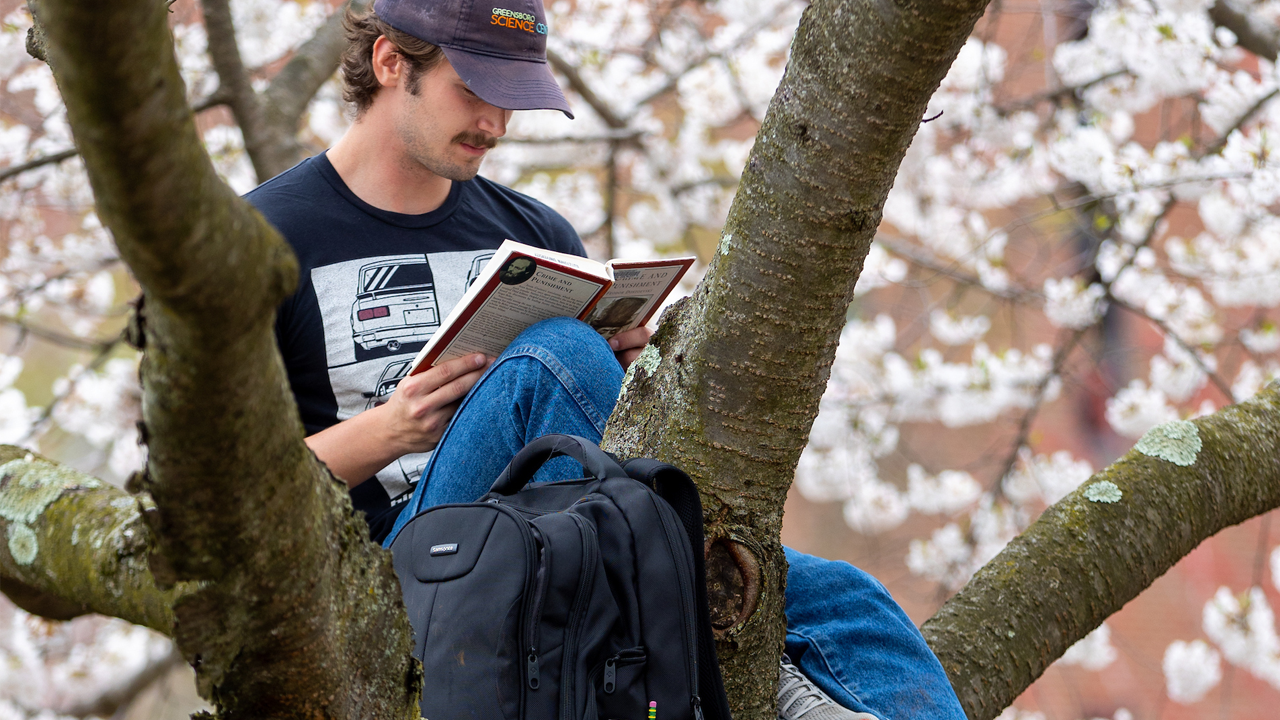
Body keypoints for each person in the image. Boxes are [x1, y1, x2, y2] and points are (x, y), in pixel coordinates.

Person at [246, 1, 967, 718]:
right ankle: (750, 657)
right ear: (390, 63)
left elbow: (599, 445)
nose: (495, 125)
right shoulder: (266, 240)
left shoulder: (533, 231)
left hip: (552, 534)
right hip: (395, 580)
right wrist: (393, 430)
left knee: (848, 598)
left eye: (512, 101)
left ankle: (770, 665)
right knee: (553, 358)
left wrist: (626, 372)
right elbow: (223, 497)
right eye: (473, 92)